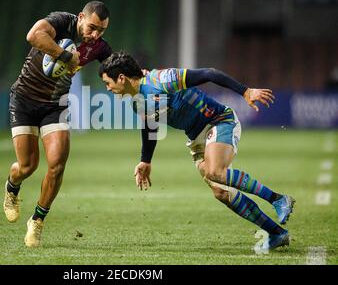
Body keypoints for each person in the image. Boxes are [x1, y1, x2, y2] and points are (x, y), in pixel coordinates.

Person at [98, 51, 296, 252]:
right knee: (220, 192)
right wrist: (145, 160)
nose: (108, 88)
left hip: (218, 121)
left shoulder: (162, 80)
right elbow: (150, 126)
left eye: (108, 83)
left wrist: (245, 91)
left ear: (121, 78)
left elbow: (209, 73)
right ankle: (276, 233)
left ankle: (278, 199)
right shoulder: (136, 103)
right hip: (196, 138)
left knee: (215, 171)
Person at [4, 1, 112, 248]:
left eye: (101, 31)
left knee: (57, 165)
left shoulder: (97, 47)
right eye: (92, 27)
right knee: (27, 166)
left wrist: (144, 78)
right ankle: (12, 186)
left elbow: (117, 67)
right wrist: (65, 56)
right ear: (82, 17)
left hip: (56, 106)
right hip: (24, 99)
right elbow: (33, 35)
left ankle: (37, 221)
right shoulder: (61, 21)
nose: (95, 34)